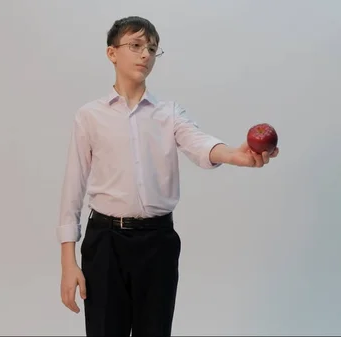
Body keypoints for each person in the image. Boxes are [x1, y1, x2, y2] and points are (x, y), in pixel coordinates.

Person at [57, 16, 279, 336]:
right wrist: (68, 262)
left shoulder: (170, 113)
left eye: (152, 48)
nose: (145, 54)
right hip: (104, 244)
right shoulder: (90, 116)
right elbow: (72, 189)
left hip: (157, 243)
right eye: (135, 45)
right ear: (112, 53)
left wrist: (234, 154)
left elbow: (198, 143)